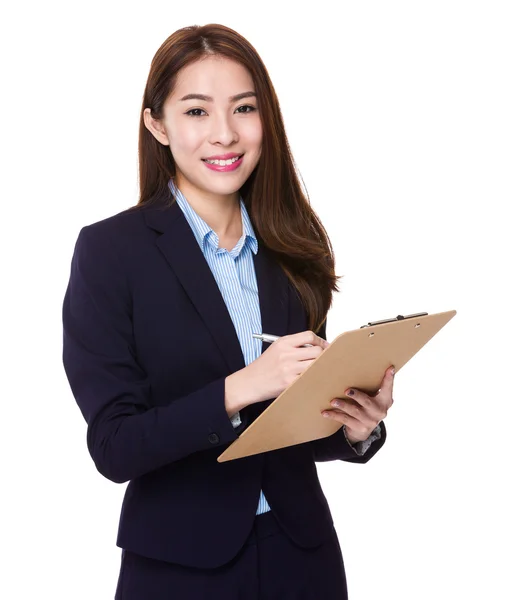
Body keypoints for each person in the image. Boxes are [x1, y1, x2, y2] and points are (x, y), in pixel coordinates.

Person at [62, 23, 393, 600]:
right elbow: (115, 447)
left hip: (303, 559)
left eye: (244, 108)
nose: (224, 134)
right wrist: (241, 386)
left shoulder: (294, 244)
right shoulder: (111, 253)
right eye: (196, 111)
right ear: (157, 124)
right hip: (180, 569)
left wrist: (354, 427)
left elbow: (290, 429)